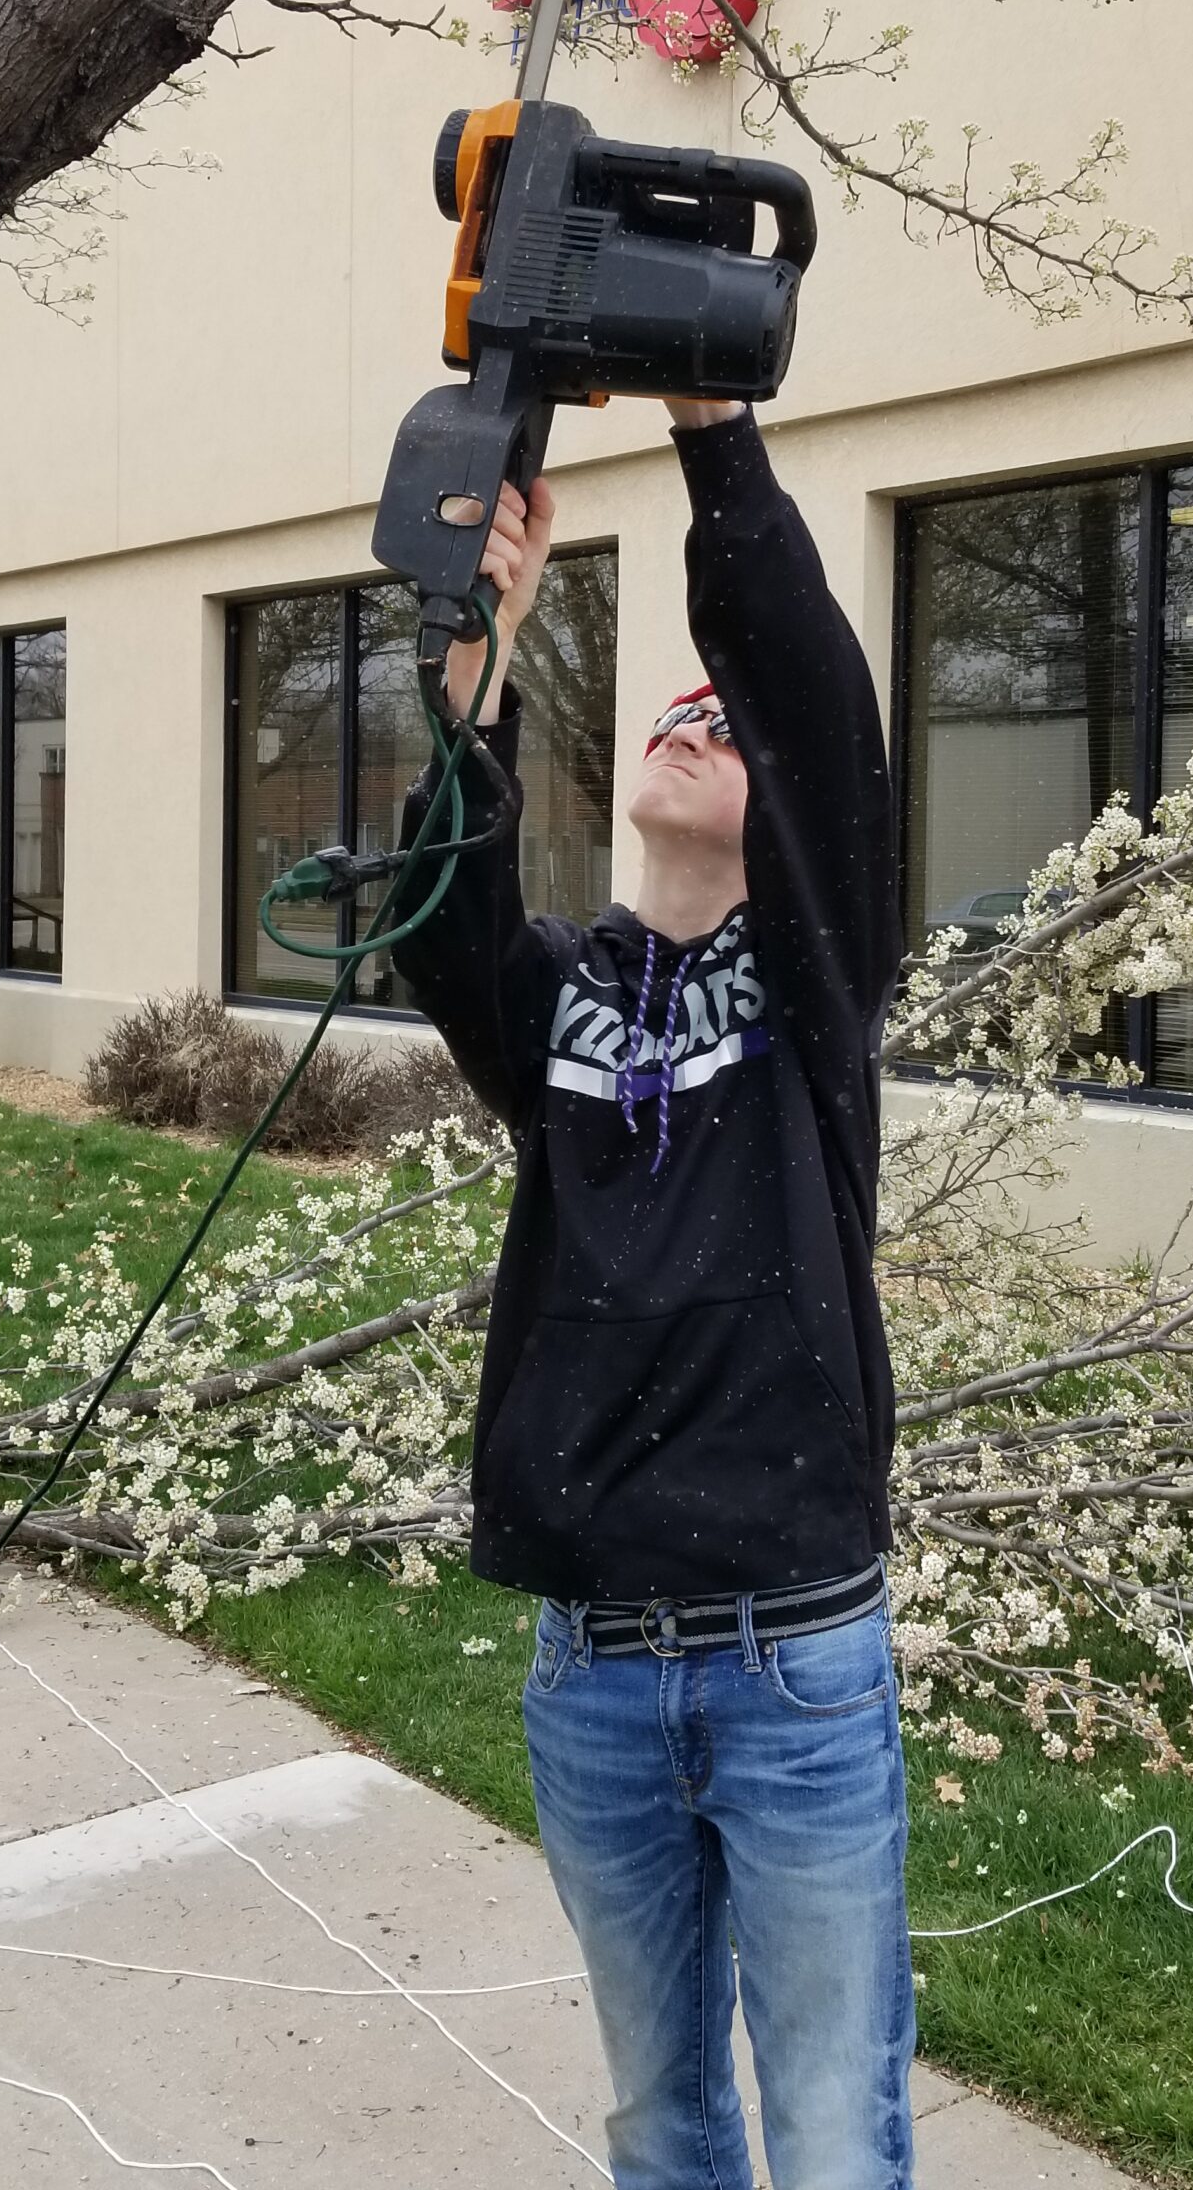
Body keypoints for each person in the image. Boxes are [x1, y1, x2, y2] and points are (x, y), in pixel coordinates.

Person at [391, 398, 913, 2190]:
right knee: (658, 2121)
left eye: (724, 720)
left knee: (838, 2126)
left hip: (799, 1665)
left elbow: (818, 716)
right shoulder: (560, 999)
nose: (697, 716)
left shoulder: (819, 996)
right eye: (673, 707)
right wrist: (483, 652)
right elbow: (440, 922)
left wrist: (715, 433)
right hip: (594, 1675)